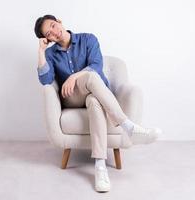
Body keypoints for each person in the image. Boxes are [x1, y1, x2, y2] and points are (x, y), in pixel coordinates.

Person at [34, 14, 161, 192]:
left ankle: (100, 166)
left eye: (54, 26)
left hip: (95, 92)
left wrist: (74, 76)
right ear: (47, 39)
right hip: (72, 98)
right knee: (90, 78)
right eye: (49, 34)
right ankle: (128, 127)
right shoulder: (50, 53)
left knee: (94, 100)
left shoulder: (88, 39)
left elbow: (96, 65)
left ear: (60, 22)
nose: (54, 33)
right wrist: (40, 52)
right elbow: (46, 80)